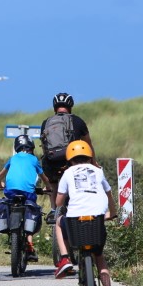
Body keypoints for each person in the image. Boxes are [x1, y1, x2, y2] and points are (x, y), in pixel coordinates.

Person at [53, 140, 123, 286]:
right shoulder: (98, 172)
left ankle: (64, 259)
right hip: (96, 219)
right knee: (99, 256)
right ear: (90, 156)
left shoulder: (68, 173)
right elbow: (109, 194)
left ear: (70, 158)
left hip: (75, 220)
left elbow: (58, 201)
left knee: (59, 222)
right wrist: (112, 213)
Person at [40, 92, 94, 258]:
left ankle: (54, 209)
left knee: (53, 183)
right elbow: (88, 144)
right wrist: (94, 163)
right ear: (70, 106)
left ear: (55, 107)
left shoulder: (46, 123)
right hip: (70, 163)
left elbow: (44, 146)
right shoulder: (77, 121)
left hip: (51, 162)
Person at [0, 134, 52, 262]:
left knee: (9, 204)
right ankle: (30, 245)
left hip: (10, 191)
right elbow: (44, 178)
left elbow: (1, 174)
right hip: (28, 193)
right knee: (30, 209)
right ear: (31, 147)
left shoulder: (13, 158)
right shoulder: (34, 160)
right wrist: (48, 187)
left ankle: (11, 230)